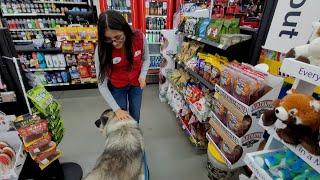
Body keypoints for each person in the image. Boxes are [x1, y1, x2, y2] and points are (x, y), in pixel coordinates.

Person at [95, 11, 150, 122]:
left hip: (136, 84)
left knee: (135, 115)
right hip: (117, 87)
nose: (114, 43)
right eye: (108, 39)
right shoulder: (101, 49)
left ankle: (134, 137)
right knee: (121, 118)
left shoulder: (139, 37)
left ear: (125, 29)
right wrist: (116, 109)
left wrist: (143, 75)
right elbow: (102, 85)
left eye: (118, 37)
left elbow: (146, 59)